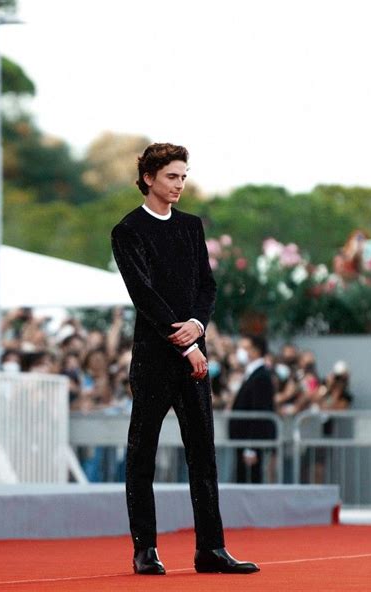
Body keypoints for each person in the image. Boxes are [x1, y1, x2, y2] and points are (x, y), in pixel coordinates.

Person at [110, 143, 259, 576]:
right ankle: (145, 550)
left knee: (203, 454)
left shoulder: (192, 227)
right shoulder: (128, 230)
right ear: (150, 177)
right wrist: (186, 342)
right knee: (143, 454)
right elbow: (145, 295)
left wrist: (199, 323)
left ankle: (211, 549)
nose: (179, 184)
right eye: (173, 176)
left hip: (194, 353)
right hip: (157, 359)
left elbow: (206, 286)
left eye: (184, 177)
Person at [229, 334, 275, 483]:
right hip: (242, 441)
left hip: (250, 444)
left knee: (251, 483)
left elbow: (259, 412)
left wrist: (252, 447)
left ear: (255, 351)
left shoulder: (261, 376)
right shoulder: (252, 374)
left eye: (245, 348)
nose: (241, 352)